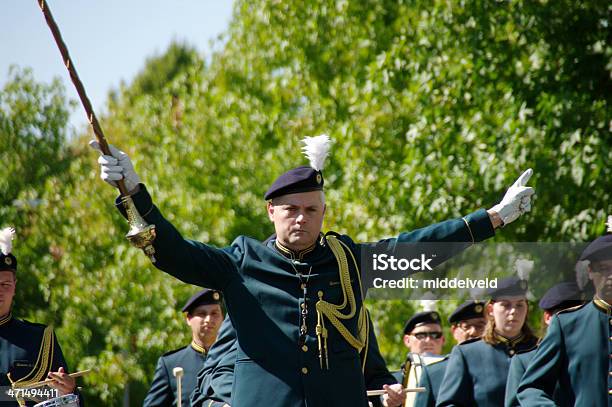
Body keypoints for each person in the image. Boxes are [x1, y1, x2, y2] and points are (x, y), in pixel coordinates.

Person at [91, 135, 534, 406]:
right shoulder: (242, 262)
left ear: (323, 212)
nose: (301, 218)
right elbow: (174, 251)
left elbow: (420, 246)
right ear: (271, 211)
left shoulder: (348, 263)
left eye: (311, 210)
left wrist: (492, 218)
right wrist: (131, 190)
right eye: (291, 210)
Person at [191, 313, 405, 407]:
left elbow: (375, 376)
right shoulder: (250, 306)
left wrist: (387, 396)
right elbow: (218, 373)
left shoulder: (351, 311)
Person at [517, 227, 612, 407]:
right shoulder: (567, 325)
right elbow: (531, 388)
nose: (610, 276)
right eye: (604, 269)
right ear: (591, 271)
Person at [0, 227, 79, 406]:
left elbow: (62, 401)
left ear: (14, 286)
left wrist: (68, 391)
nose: (0, 291)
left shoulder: (39, 339)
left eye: (5, 284)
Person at [436, 277, 538, 407]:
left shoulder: (541, 349)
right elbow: (449, 404)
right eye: (505, 305)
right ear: (490, 310)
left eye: (519, 305)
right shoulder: (468, 354)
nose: (513, 311)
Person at [504, 281, 583, 407]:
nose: (570, 322)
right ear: (547, 318)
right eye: (563, 316)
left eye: (578, 315)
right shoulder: (524, 361)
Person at [143, 288, 223, 407]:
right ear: (188, 319)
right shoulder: (170, 364)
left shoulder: (232, 359)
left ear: (222, 318)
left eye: (214, 313)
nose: (208, 319)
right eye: (202, 314)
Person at [413, 300, 485, 407]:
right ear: (454, 331)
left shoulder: (505, 363)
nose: (473, 332)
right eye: (466, 326)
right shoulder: (433, 374)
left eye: (480, 326)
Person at [393, 310, 445, 407]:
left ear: (443, 340)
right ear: (407, 340)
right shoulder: (393, 380)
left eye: (435, 335)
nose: (429, 340)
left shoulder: (453, 373)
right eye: (421, 335)